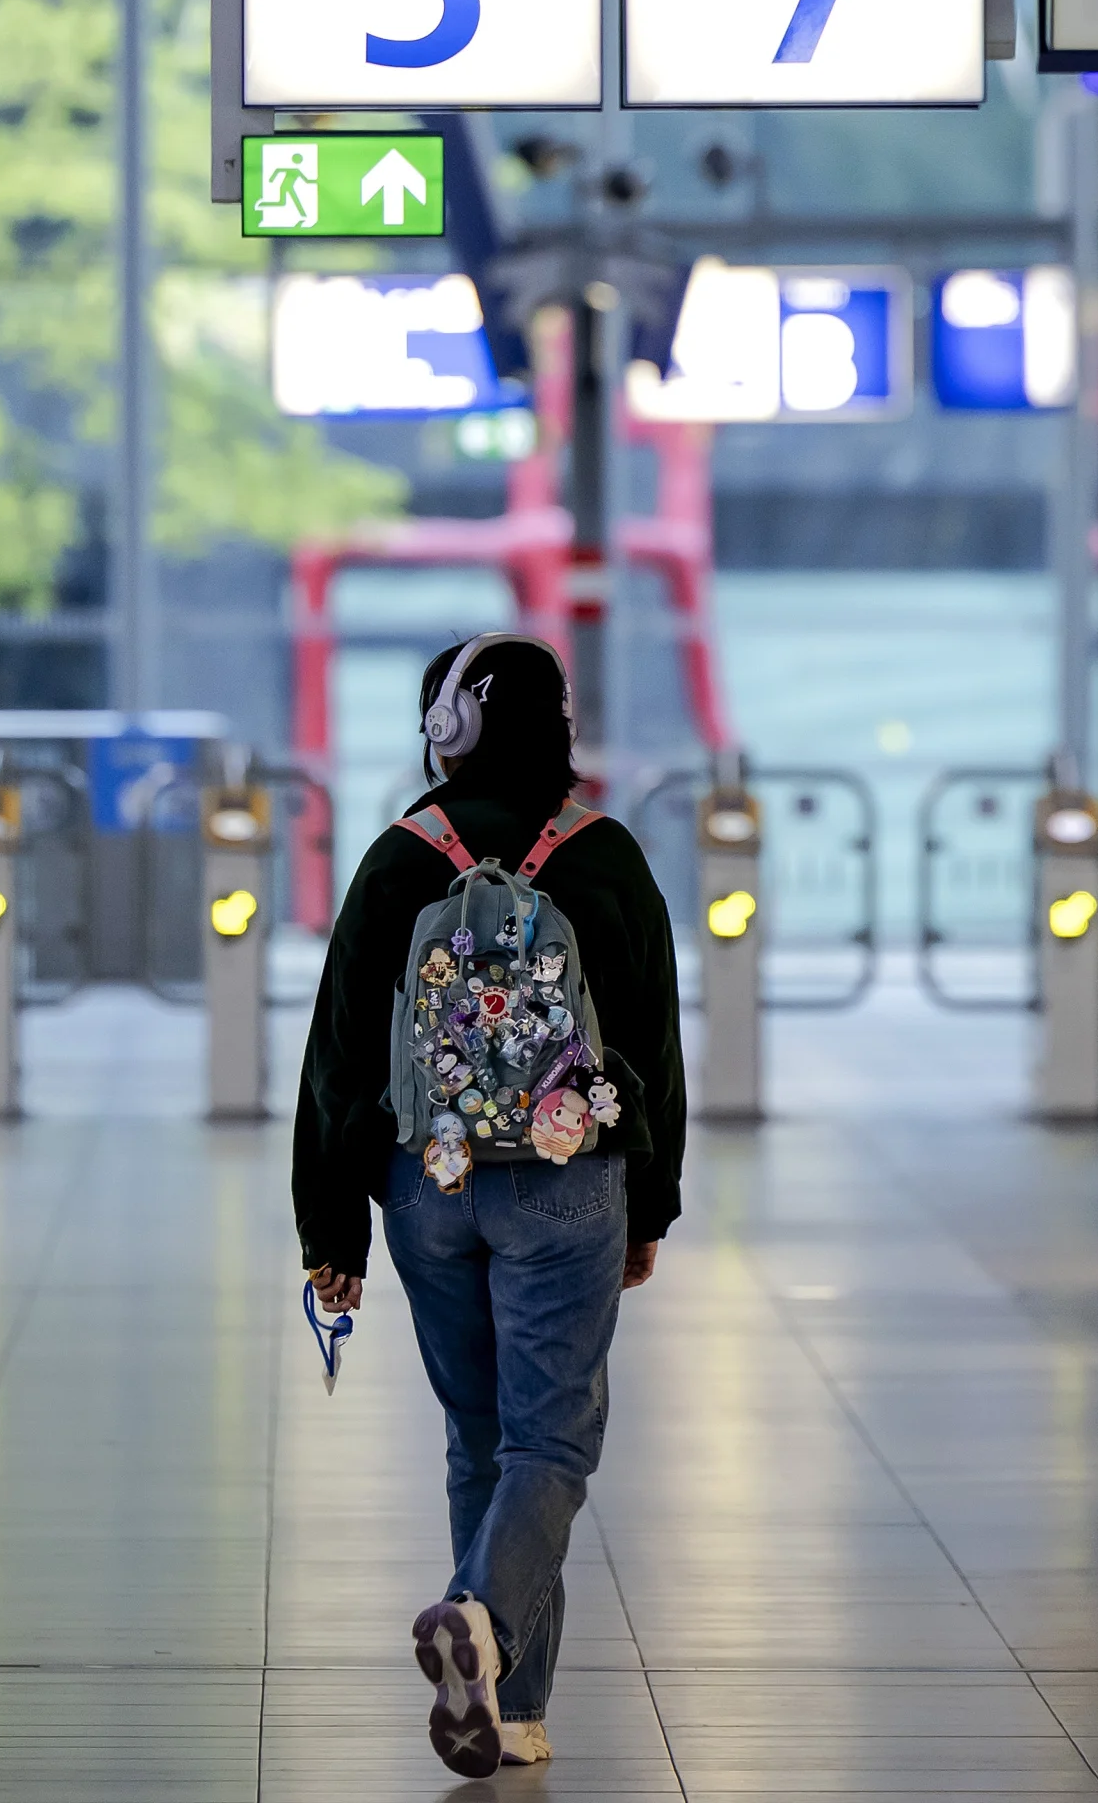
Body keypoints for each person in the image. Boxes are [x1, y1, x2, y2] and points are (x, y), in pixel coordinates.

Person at [294, 633, 685, 1780]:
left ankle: (511, 1710)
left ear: (444, 727)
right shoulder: (606, 856)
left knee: (482, 1436)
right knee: (552, 1440)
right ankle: (478, 1619)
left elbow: (336, 1057)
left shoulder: (398, 857)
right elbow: (653, 1040)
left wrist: (333, 1228)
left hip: (431, 1182)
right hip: (570, 1177)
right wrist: (649, 1203)